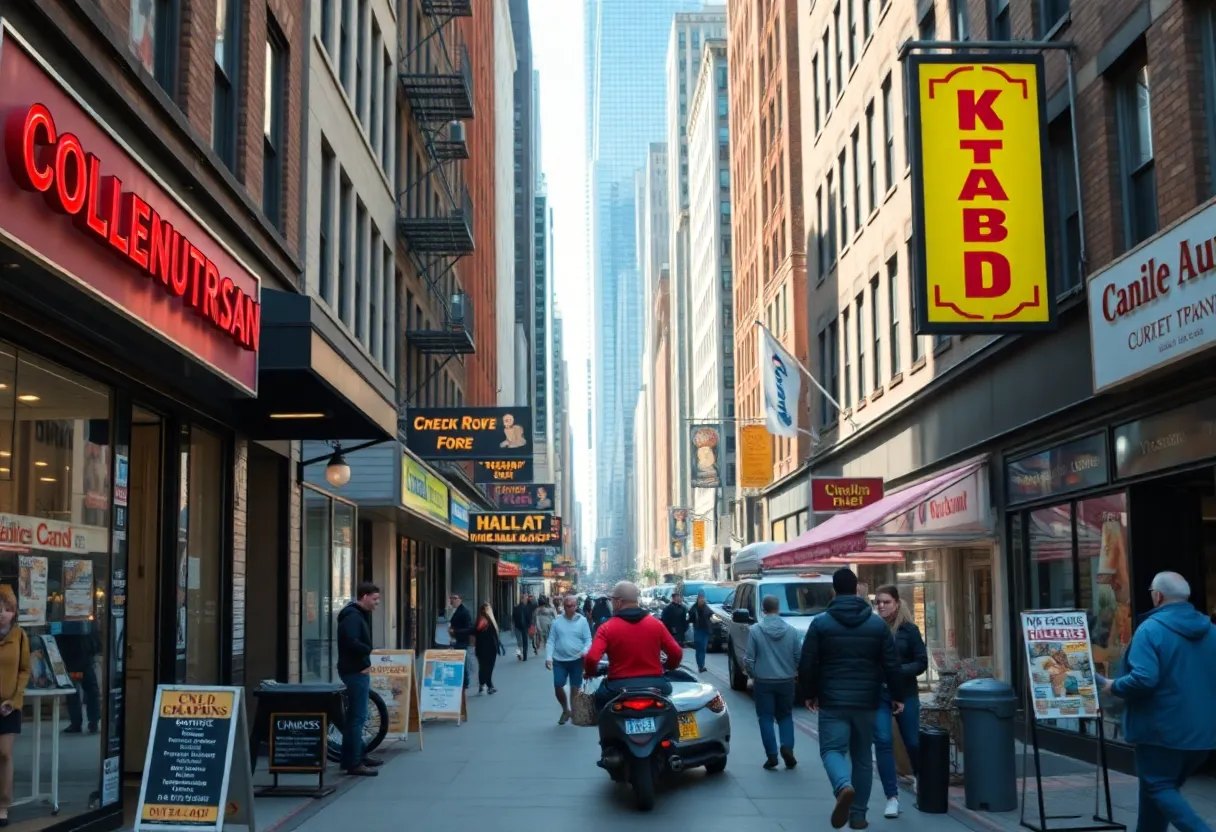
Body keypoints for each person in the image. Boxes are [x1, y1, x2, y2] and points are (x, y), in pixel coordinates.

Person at [1099, 571, 1216, 832]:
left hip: (1160, 731)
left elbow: (1143, 679)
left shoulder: (1151, 629)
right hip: (1203, 735)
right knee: (1155, 790)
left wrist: (1113, 686)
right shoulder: (1211, 631)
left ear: (1158, 595)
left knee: (1159, 787)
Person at [799, 568, 904, 830]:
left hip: (833, 700)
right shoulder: (877, 624)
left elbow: (807, 662)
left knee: (832, 750)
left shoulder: (821, 623)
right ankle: (858, 815)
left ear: (834, 590)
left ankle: (843, 786)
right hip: (867, 701)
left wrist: (810, 693)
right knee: (862, 757)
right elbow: (892, 664)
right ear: (857, 589)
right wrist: (898, 695)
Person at [872, 585, 928, 818]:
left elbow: (921, 662)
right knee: (883, 742)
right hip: (879, 694)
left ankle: (920, 777)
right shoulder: (872, 629)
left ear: (896, 603)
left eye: (886, 602)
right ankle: (891, 797)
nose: (881, 606)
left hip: (905, 693)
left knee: (913, 741)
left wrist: (898, 671)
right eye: (878, 602)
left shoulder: (909, 630)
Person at [584, 582, 683, 712]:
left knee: (598, 701)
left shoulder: (606, 628)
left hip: (617, 687)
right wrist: (668, 666)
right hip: (656, 685)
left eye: (612, 600)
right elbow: (676, 652)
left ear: (619, 602)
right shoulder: (656, 624)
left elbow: (591, 658)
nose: (611, 603)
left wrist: (591, 672)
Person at [745, 594, 801, 770]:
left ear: (763, 609)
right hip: (786, 680)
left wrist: (754, 674)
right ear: (778, 608)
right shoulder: (792, 631)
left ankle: (772, 755)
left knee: (766, 718)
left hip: (763, 681)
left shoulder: (755, 630)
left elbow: (749, 659)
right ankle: (787, 748)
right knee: (785, 716)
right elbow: (798, 656)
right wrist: (794, 672)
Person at [337, 582, 382, 777]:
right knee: (357, 718)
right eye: (374, 599)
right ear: (364, 597)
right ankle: (353, 762)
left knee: (357, 717)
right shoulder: (353, 617)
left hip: (356, 669)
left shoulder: (356, 615)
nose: (377, 603)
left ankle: (359, 754)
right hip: (355, 671)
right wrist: (366, 653)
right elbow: (353, 642)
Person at [0, 586, 29, 824]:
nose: (2, 614)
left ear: (14, 612)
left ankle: (3, 804)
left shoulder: (19, 636)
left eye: (7, 609)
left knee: (4, 753)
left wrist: (15, 699)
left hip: (9, 705)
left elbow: (25, 670)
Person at [546, 595, 593, 724]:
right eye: (568, 606)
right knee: (558, 685)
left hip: (577, 659)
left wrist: (585, 651)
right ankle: (565, 709)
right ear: (564, 606)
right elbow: (551, 640)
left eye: (573, 606)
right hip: (559, 660)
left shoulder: (582, 621)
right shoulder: (557, 622)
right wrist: (548, 657)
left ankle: (573, 711)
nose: (570, 608)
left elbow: (588, 639)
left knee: (575, 687)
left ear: (576, 606)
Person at [60, 630, 100, 734]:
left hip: (74, 664)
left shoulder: (67, 627)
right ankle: (93, 722)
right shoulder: (86, 625)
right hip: (86, 663)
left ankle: (76, 724)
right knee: (92, 691)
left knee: (74, 694)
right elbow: (95, 641)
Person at [473, 602, 505, 695]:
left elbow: (494, 634)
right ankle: (485, 685)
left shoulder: (488, 619)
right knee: (486, 667)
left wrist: (500, 645)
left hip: (490, 647)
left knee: (487, 667)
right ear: (485, 610)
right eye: (488, 608)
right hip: (485, 647)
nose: (490, 609)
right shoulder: (484, 619)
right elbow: (477, 629)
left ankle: (486, 685)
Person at [447, 593, 475, 690]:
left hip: (462, 640)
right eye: (451, 598)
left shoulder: (464, 612)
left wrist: (455, 631)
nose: (453, 601)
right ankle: (462, 681)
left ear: (460, 600)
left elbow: (470, 628)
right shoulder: (455, 610)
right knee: (459, 661)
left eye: (455, 598)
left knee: (462, 661)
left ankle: (465, 682)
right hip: (456, 640)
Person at [689, 591, 713, 672]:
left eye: (703, 597)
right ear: (698, 598)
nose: (702, 599)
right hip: (698, 630)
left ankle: (701, 665)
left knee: (703, 648)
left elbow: (711, 615)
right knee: (699, 648)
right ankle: (700, 665)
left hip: (705, 631)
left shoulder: (706, 607)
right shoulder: (694, 608)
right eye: (700, 598)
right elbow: (690, 618)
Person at [512, 595, 533, 660]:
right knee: (524, 642)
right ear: (521, 599)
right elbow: (529, 617)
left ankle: (520, 654)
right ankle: (523, 655)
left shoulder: (516, 608)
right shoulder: (525, 608)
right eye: (525, 599)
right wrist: (529, 625)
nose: (526, 600)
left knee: (520, 642)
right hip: (523, 627)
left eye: (526, 599)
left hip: (518, 627)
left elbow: (513, 618)